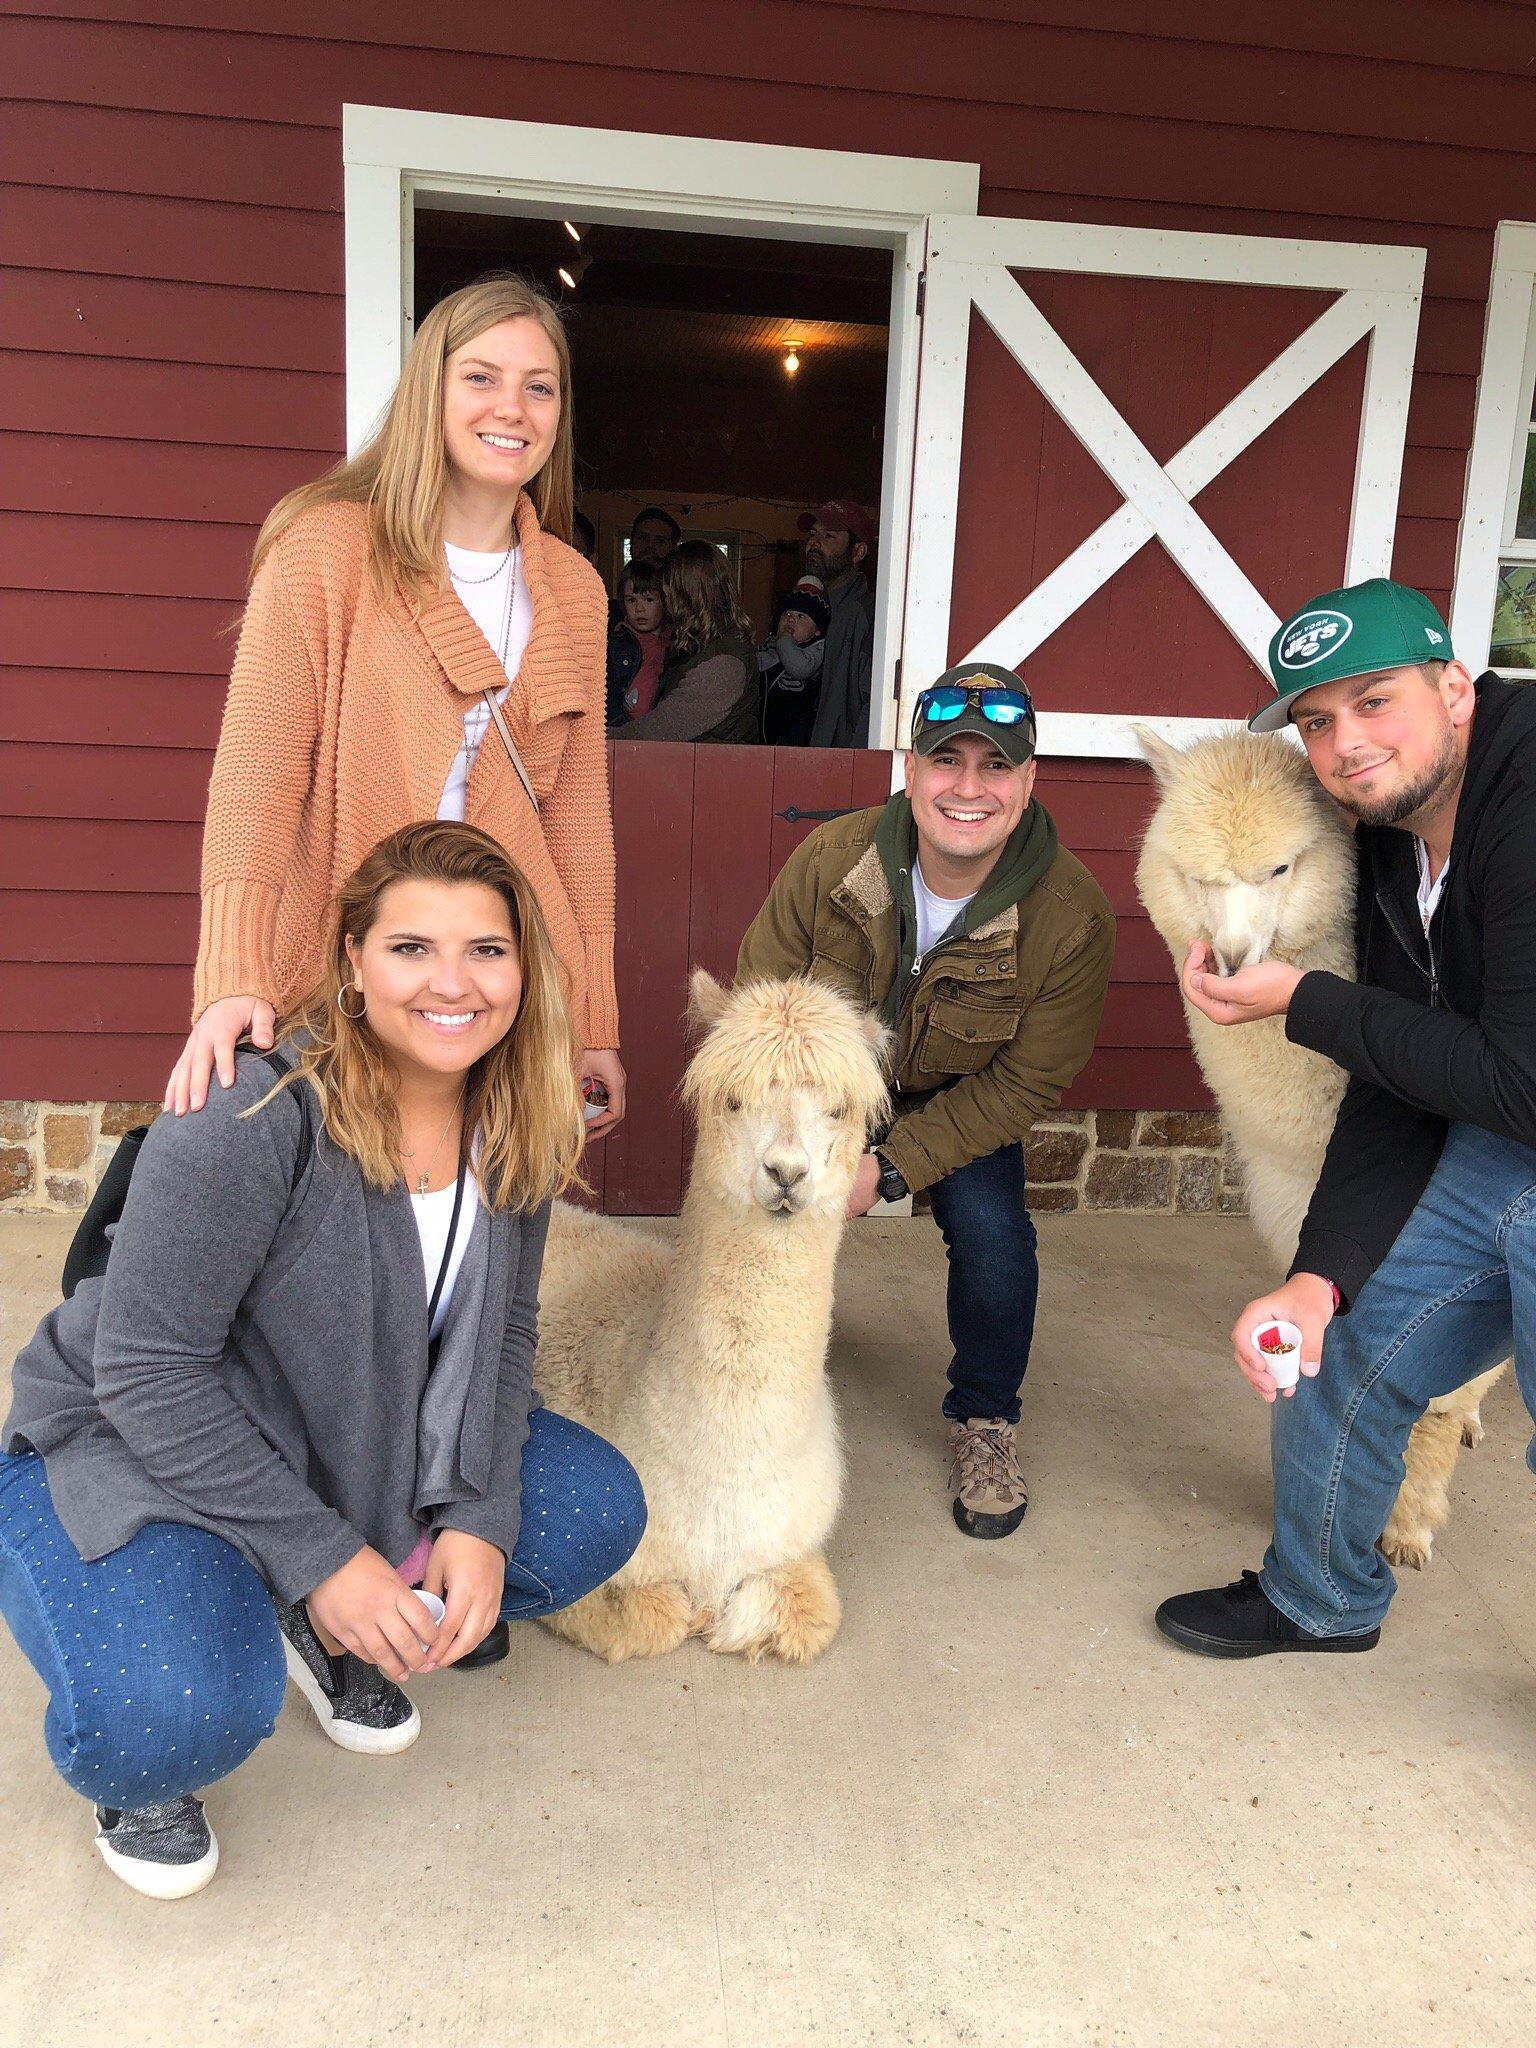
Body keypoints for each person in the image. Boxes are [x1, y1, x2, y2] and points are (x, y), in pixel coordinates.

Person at [0, 822, 646, 1898]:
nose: (454, 982)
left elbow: (505, 1341)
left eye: (487, 949)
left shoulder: (521, 1118)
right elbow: (147, 1370)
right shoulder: (252, 1111)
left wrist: (479, 1516)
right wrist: (326, 1555)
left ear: (526, 968)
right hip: (134, 1439)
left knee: (588, 1510)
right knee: (179, 1710)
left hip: (347, 1434)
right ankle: (166, 1734)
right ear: (352, 961)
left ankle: (313, 1601)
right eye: (410, 948)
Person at [1155, 579, 1536, 1657]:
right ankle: (1318, 1595)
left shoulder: (1526, 796)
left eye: (1375, 701)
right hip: (1508, 1142)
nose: (1347, 742)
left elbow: (1522, 1077)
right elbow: (1399, 1061)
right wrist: (1319, 1276)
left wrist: (1303, 1001)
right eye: (1319, 721)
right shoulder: (1390, 839)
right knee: (1347, 1340)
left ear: (1455, 685)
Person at [163, 273, 626, 1142]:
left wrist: (592, 1019)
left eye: (540, 387)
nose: (512, 409)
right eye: (481, 377)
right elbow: (256, 776)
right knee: (336, 1243)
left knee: (486, 1240)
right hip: (348, 971)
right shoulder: (326, 551)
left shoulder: (575, 588)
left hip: (500, 987)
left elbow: (579, 820)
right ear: (430, 391)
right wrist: (233, 971)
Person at [737, 663, 1114, 1535]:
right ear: (912, 769)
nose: (969, 788)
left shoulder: (1073, 916)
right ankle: (748, 1379)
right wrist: (811, 1135)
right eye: (949, 762)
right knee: (761, 1200)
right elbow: (761, 997)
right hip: (823, 1087)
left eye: (995, 766)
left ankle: (986, 1418)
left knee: (994, 1239)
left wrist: (891, 1168)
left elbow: (1023, 1081)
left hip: (962, 1096)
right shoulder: (834, 859)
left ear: (1029, 781)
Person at [620, 540, 758, 744]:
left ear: (686, 599)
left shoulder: (723, 663)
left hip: (713, 773)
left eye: (668, 597)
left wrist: (599, 739)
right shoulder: (696, 647)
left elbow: (662, 728)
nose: (667, 606)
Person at [804, 499, 877, 749]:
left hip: (840, 768)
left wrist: (856, 768)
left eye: (829, 536)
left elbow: (875, 704)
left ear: (858, 552)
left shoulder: (865, 614)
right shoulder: (807, 608)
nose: (814, 543)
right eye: (813, 534)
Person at [758, 575, 829, 747]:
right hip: (763, 732)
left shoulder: (817, 650)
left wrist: (784, 641)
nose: (791, 619)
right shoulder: (771, 644)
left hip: (794, 737)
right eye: (787, 613)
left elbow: (799, 668)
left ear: (818, 630)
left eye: (801, 616)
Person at [605, 557, 672, 728]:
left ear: (665, 602)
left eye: (649, 600)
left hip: (660, 733)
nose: (639, 609)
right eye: (631, 600)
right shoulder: (616, 643)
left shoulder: (675, 642)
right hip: (622, 730)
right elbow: (607, 696)